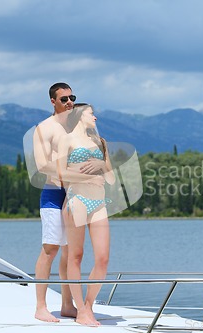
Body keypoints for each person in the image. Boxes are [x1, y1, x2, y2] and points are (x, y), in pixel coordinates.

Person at [32, 84, 105, 322]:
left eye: (72, 97)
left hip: (80, 194)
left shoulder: (80, 126)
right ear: (52, 101)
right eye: (64, 99)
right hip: (55, 193)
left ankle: (67, 304)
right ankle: (41, 306)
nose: (69, 102)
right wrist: (76, 172)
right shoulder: (44, 128)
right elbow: (43, 165)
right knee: (50, 248)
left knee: (70, 253)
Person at [57, 104, 115, 326]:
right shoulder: (66, 140)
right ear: (80, 116)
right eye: (91, 113)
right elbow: (61, 175)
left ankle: (89, 305)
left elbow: (110, 179)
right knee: (76, 256)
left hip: (99, 203)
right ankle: (80, 309)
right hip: (77, 201)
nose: (95, 117)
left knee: (103, 258)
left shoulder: (101, 143)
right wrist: (85, 178)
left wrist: (102, 164)